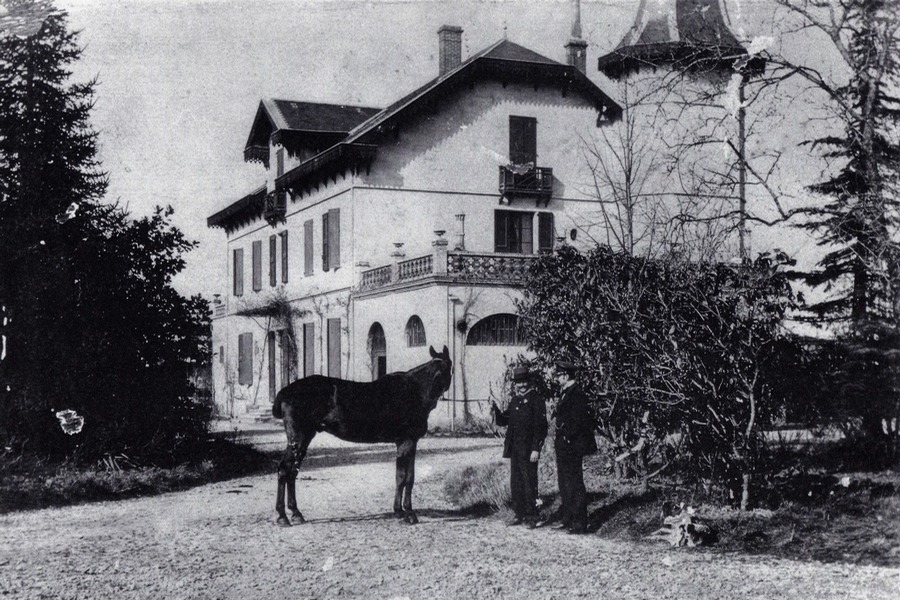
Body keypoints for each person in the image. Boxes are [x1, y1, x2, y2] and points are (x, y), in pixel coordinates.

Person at [543, 360, 597, 534]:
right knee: (564, 483)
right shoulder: (566, 393)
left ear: (566, 376)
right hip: (564, 445)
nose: (557, 378)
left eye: (558, 375)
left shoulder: (577, 394)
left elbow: (579, 421)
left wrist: (567, 436)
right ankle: (568, 519)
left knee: (574, 483)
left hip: (572, 445)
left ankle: (580, 522)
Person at [492, 366, 548, 528]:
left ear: (529, 382)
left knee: (529, 482)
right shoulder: (515, 400)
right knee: (516, 483)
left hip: (529, 450)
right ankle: (519, 514)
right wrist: (494, 408)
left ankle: (532, 516)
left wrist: (536, 448)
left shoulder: (536, 400)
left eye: (524, 382)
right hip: (515, 450)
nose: (521, 385)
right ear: (515, 384)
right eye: (518, 383)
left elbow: (541, 427)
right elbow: (504, 419)